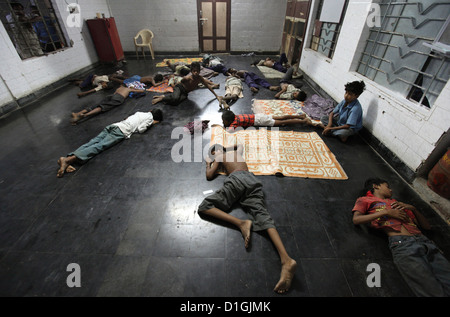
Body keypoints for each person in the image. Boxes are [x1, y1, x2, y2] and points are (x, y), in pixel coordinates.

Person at [198, 143, 297, 293]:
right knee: (263, 215)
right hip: (252, 180)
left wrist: (208, 163)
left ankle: (241, 223)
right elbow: (240, 145)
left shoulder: (219, 156)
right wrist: (226, 147)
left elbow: (209, 176)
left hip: (236, 179)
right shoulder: (238, 153)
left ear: (216, 151)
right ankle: (286, 259)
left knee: (205, 206)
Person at [352, 178, 450, 297]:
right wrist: (386, 212)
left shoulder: (398, 204)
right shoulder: (365, 200)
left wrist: (412, 208)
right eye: (387, 186)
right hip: (404, 245)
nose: (391, 189)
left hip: (426, 242)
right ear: (376, 186)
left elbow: (426, 227)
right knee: (431, 290)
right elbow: (356, 219)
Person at [57, 109, 163, 178]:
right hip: (121, 131)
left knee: (93, 141)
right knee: (99, 146)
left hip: (115, 125)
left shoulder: (140, 112)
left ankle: (69, 159)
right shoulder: (150, 119)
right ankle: (68, 160)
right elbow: (141, 129)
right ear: (156, 119)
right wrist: (151, 124)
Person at [152, 62, 222, 106]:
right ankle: (161, 98)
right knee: (176, 98)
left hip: (185, 93)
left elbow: (208, 86)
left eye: (197, 71)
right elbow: (180, 82)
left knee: (177, 102)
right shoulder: (188, 78)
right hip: (179, 88)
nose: (196, 73)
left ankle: (164, 97)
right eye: (194, 71)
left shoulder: (200, 78)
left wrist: (216, 96)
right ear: (191, 71)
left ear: (199, 71)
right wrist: (175, 86)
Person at [70, 85, 146, 124]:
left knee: (97, 104)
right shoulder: (128, 89)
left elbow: (114, 93)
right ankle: (86, 115)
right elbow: (142, 91)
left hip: (112, 95)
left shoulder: (119, 88)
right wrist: (136, 89)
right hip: (119, 98)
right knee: (102, 107)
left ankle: (77, 113)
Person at [221, 110, 310, 131]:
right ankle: (300, 116)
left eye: (223, 120)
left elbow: (229, 131)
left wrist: (222, 128)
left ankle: (303, 121)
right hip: (259, 116)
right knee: (281, 117)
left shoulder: (235, 122)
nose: (222, 122)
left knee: (283, 122)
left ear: (229, 121)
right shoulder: (236, 116)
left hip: (261, 121)